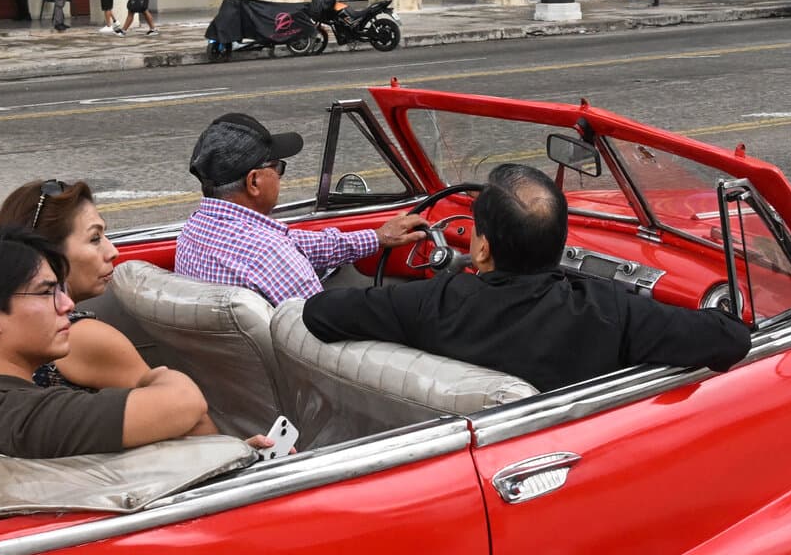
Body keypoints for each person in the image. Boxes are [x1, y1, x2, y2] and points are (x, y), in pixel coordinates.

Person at [304, 163, 752, 393]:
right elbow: (731, 339)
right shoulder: (609, 310)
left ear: (480, 248)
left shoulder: (430, 303)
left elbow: (320, 312)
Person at [0, 227, 223, 459]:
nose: (67, 304)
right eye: (46, 293)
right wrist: (155, 375)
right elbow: (185, 403)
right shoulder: (22, 418)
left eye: (62, 290)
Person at [175, 112, 428, 305]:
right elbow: (324, 334)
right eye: (278, 167)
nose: (280, 176)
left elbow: (296, 242)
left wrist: (377, 237)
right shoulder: (268, 255)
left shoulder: (194, 230)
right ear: (254, 182)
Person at [0, 177, 155, 391]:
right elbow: (185, 419)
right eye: (95, 238)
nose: (113, 251)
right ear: (48, 254)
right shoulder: (83, 337)